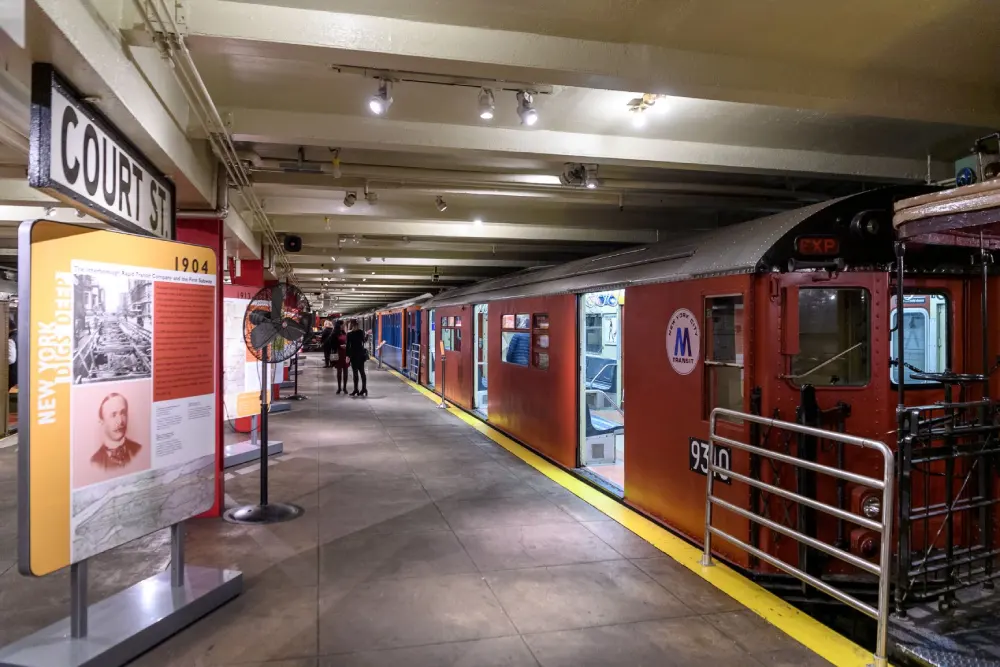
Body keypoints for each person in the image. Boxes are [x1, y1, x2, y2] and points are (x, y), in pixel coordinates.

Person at [90, 393, 144, 470]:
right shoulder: (95, 462)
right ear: (102, 421)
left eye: (123, 413)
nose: (120, 421)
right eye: (113, 415)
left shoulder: (139, 450)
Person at [345, 319, 368, 396]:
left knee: (355, 373)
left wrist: (347, 356)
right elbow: (364, 341)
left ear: (351, 325)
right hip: (361, 354)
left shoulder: (349, 334)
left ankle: (356, 389)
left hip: (353, 355)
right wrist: (367, 334)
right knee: (362, 372)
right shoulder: (361, 332)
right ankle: (364, 389)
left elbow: (348, 346)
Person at [332, 320, 349, 394]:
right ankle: (339, 388)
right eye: (342, 325)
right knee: (339, 372)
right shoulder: (334, 334)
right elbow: (332, 345)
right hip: (338, 353)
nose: (343, 326)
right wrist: (339, 346)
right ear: (339, 325)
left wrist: (346, 346)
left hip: (345, 353)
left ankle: (344, 388)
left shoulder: (345, 333)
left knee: (346, 371)